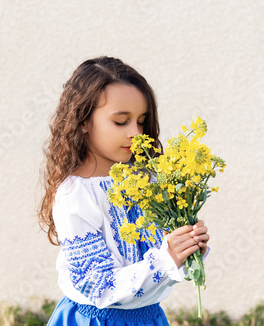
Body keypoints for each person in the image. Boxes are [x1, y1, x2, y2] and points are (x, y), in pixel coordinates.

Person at [37, 56, 210, 325]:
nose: (136, 133)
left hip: (149, 317)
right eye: (121, 122)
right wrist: (166, 258)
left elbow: (163, 269)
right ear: (82, 121)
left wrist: (187, 248)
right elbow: (98, 286)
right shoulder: (75, 195)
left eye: (141, 122)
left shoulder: (148, 181)